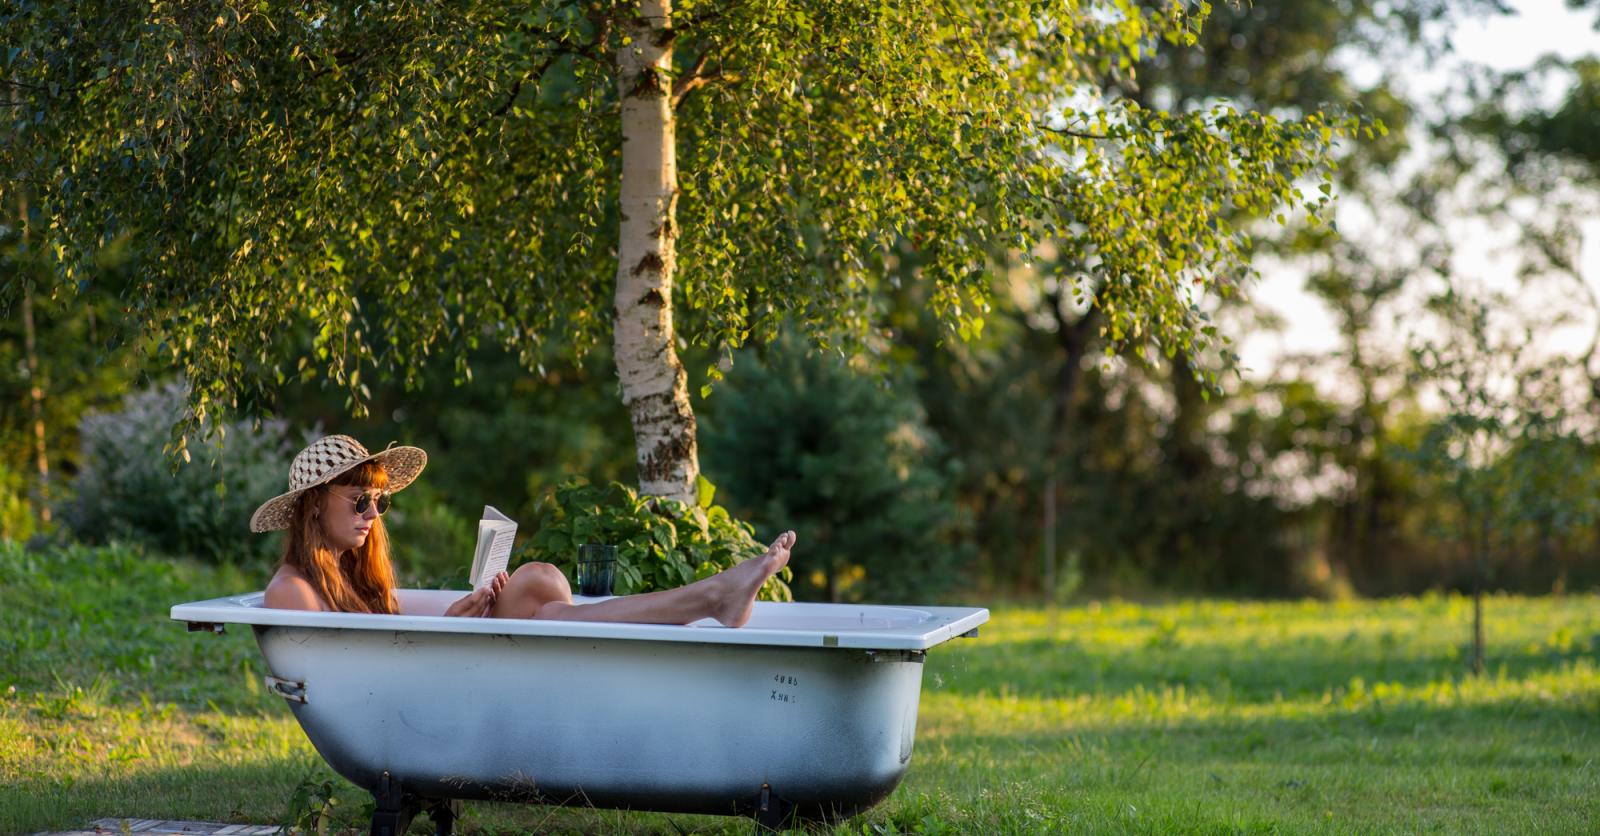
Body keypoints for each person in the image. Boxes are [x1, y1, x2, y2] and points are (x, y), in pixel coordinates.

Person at [253, 435, 794, 626]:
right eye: (360, 501)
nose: (374, 515)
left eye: (380, 502)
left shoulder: (350, 577)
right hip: (428, 699)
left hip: (434, 685)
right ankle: (711, 597)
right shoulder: (292, 590)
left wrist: (463, 614)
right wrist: (450, 624)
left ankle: (711, 598)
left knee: (537, 581)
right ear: (313, 508)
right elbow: (359, 678)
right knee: (546, 597)